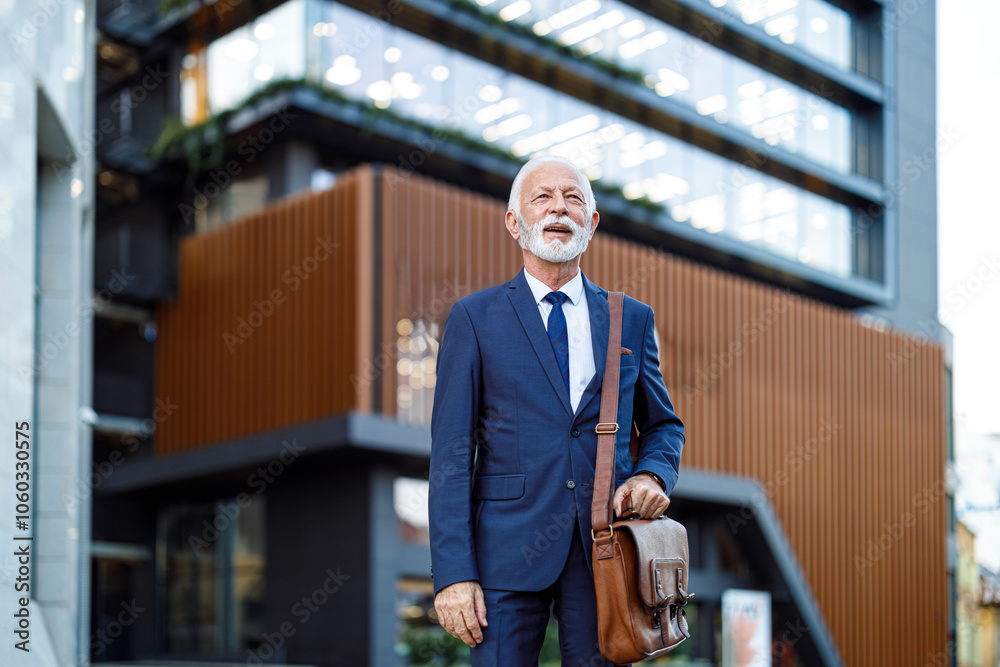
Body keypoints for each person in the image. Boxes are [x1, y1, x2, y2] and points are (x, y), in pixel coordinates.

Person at [428, 155, 685, 666]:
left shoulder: (630, 318)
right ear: (514, 222)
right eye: (542, 197)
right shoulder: (474, 318)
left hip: (606, 552)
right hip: (503, 555)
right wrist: (455, 574)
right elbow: (453, 454)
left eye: (573, 198)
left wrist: (654, 476)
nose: (558, 208)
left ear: (590, 224)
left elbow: (662, 426)